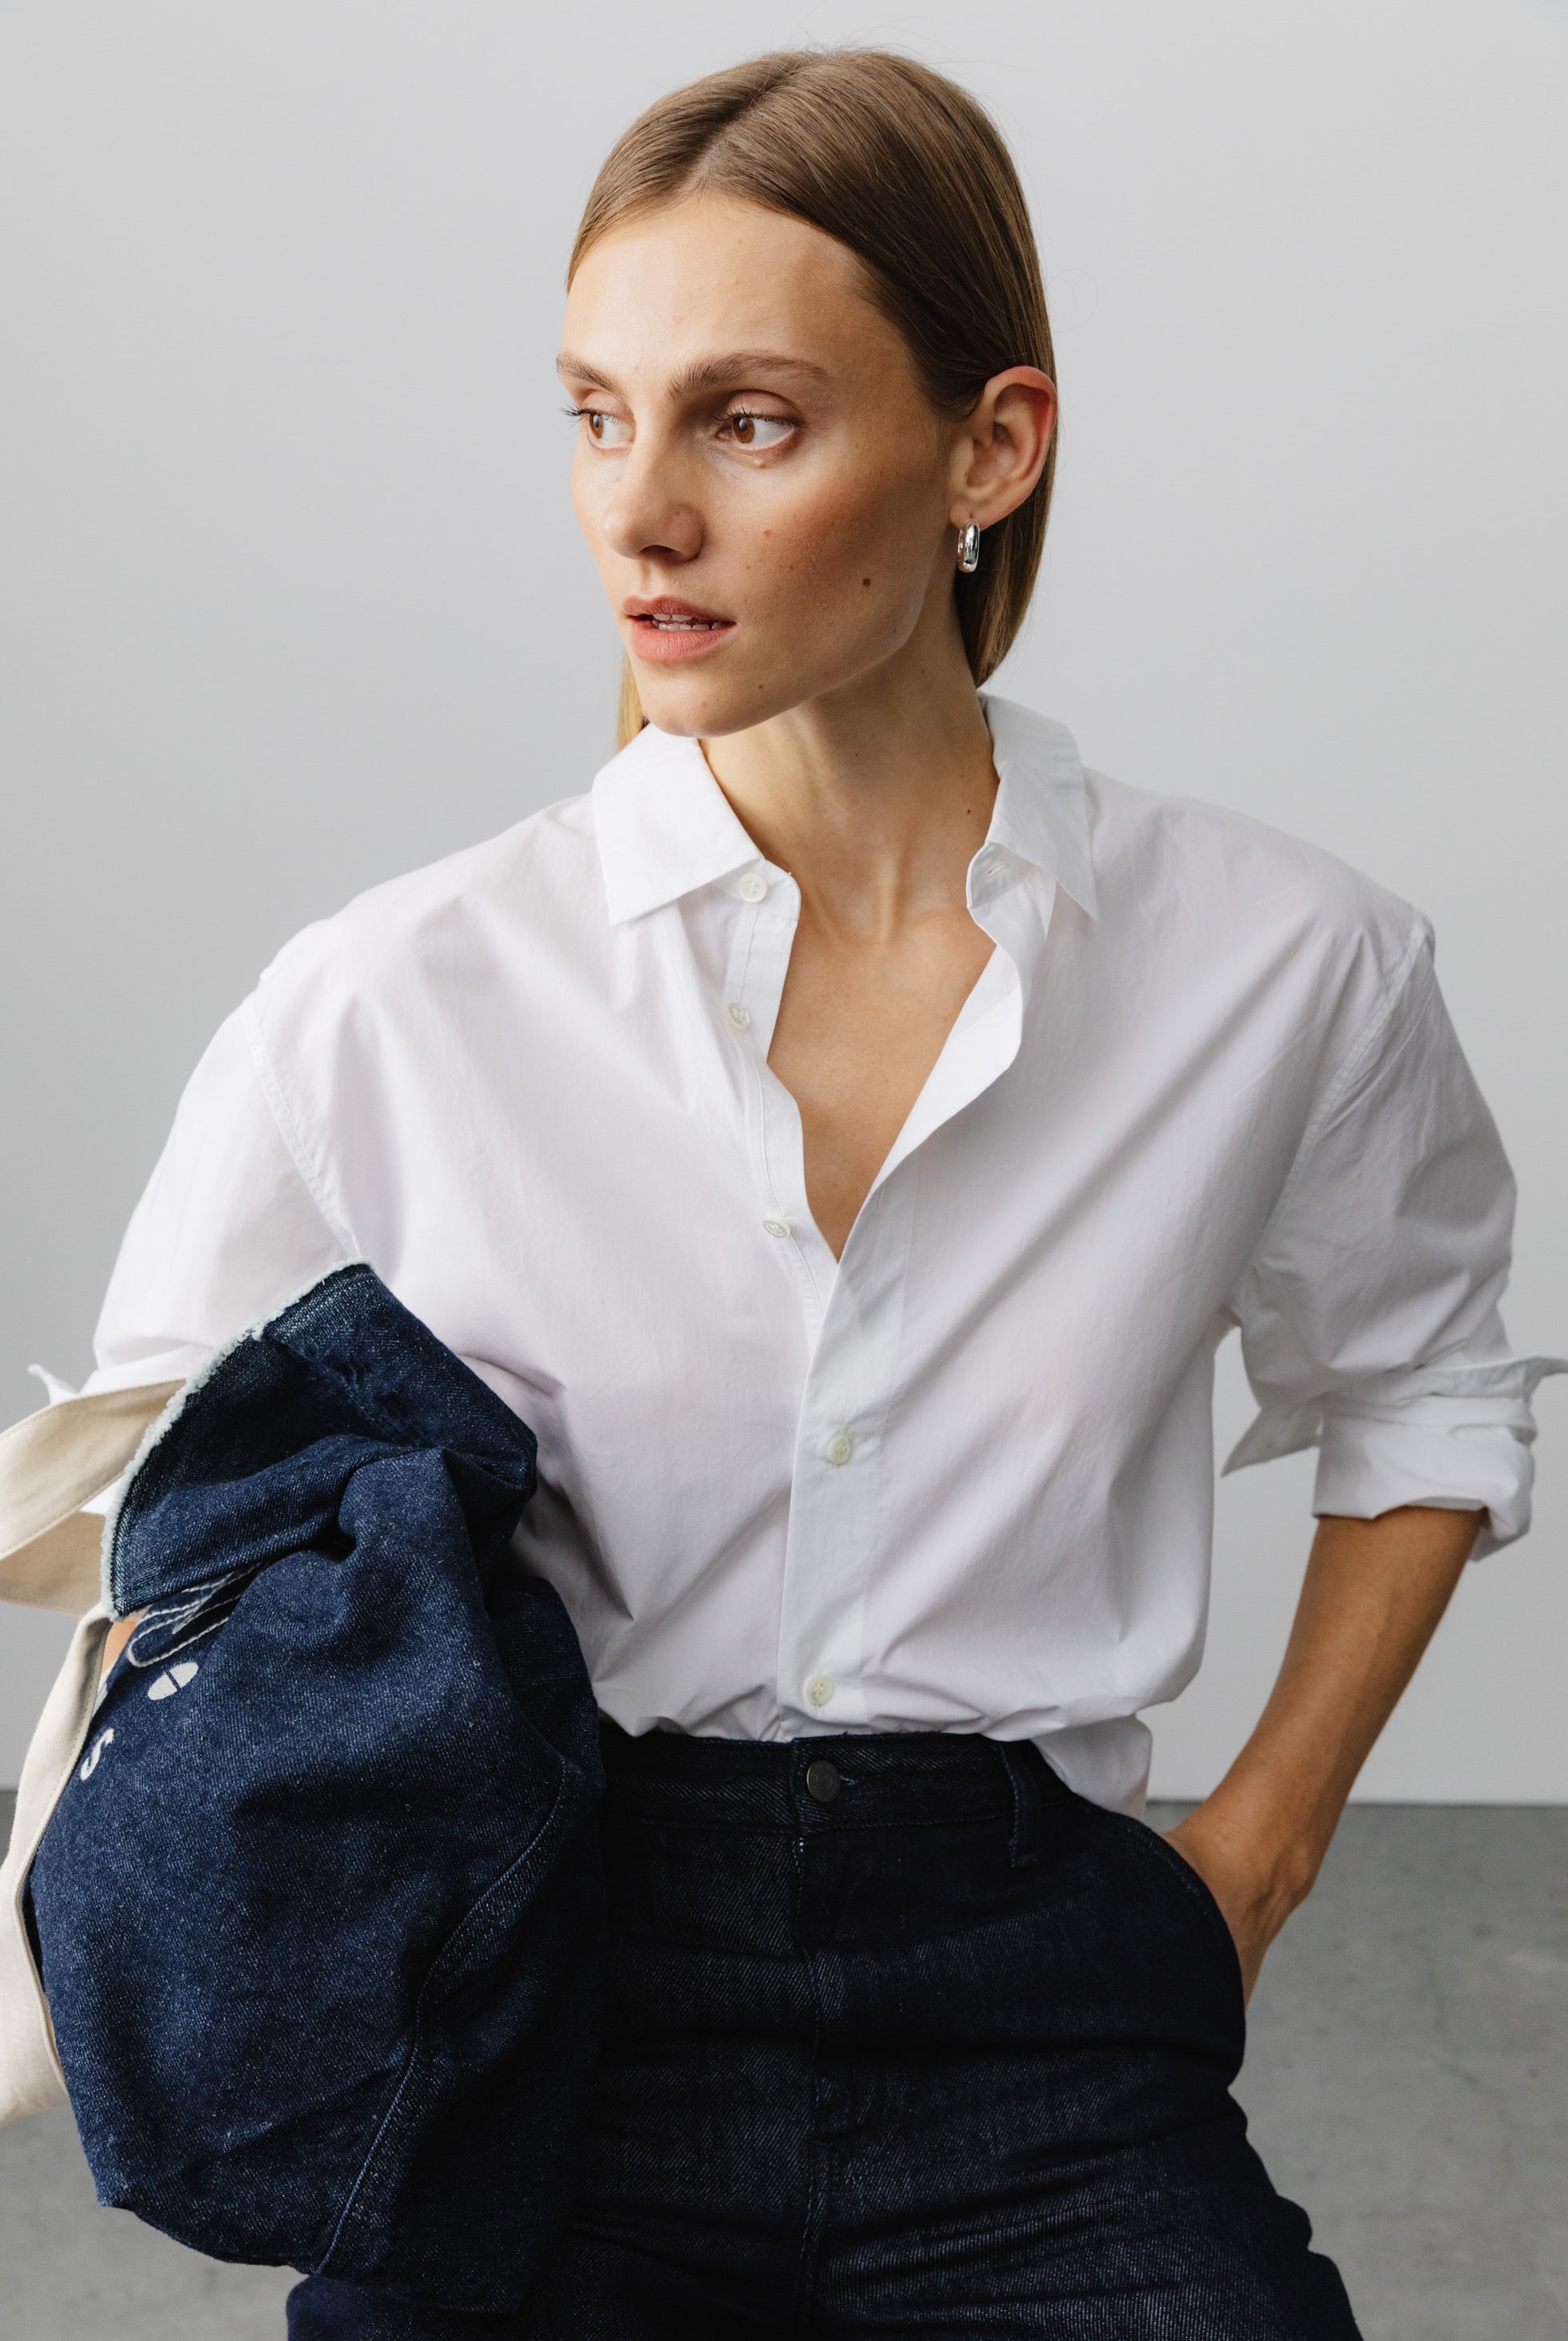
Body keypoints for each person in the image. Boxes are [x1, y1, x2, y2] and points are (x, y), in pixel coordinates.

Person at [76, 47, 1554, 2340]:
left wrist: (1252, 1854)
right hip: (540, 1997)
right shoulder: (388, 997)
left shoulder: (1284, 962)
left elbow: (1429, 1389)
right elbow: (145, 1527)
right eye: (592, 415)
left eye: (742, 422)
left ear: (989, 447)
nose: (636, 514)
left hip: (1040, 2000)